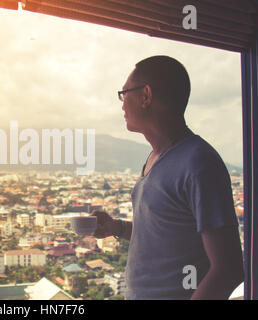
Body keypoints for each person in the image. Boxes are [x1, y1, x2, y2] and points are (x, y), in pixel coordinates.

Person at [92, 56, 244, 300]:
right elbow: (163, 238)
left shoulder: (198, 163)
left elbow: (228, 269)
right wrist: (115, 227)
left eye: (124, 93)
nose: (121, 105)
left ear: (146, 95)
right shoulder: (155, 158)